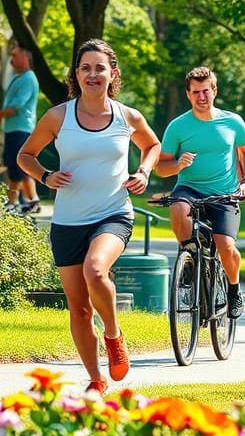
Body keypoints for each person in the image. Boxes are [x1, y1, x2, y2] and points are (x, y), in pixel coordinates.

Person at [16, 39, 160, 394]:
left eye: (100, 68)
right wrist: (46, 177)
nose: (93, 74)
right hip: (67, 222)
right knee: (79, 309)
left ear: (113, 74)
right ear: (76, 74)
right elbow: (25, 156)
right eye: (85, 68)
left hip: (113, 213)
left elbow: (152, 146)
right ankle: (96, 380)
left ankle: (113, 333)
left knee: (96, 269)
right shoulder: (57, 117)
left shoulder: (127, 116)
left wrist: (143, 171)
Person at [155, 67, 245, 320]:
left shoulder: (232, 121)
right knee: (177, 207)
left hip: (224, 193)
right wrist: (177, 165)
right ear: (188, 94)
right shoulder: (177, 126)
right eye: (196, 92)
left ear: (214, 91)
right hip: (189, 188)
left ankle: (233, 289)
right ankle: (188, 257)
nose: (202, 97)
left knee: (226, 246)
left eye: (206, 91)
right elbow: (161, 166)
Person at [1, 44, 41, 214]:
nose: (11, 59)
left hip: (21, 129)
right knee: (22, 167)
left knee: (15, 165)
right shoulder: (20, 77)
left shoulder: (28, 79)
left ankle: (12, 201)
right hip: (14, 129)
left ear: (25, 57)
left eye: (15, 55)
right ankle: (33, 201)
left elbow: (16, 107)